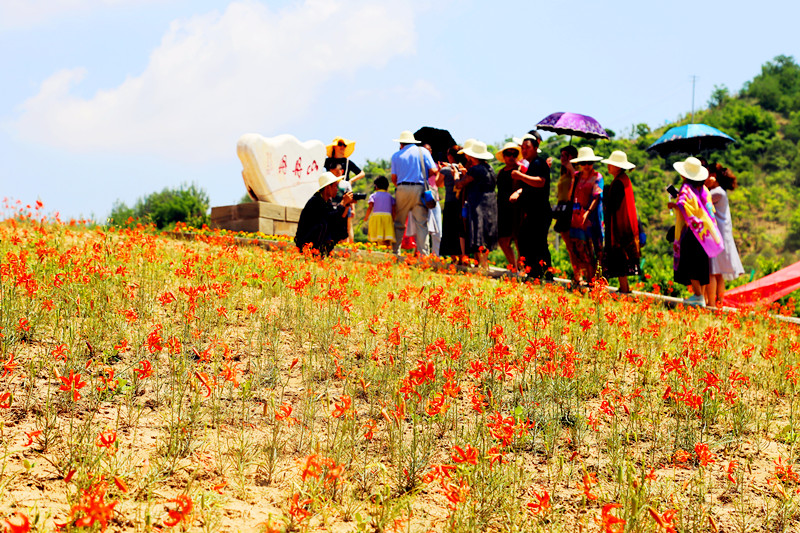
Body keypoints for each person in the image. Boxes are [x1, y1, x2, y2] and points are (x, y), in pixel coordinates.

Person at [669, 156, 724, 307]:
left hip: (692, 231)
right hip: (705, 232)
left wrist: (675, 204)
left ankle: (698, 296)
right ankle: (699, 296)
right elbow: (710, 209)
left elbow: (683, 205)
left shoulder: (686, 188)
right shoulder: (704, 189)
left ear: (684, 174)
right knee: (701, 265)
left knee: (689, 263)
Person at [510, 132, 552, 278]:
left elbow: (540, 182)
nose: (524, 150)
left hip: (540, 212)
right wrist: (519, 192)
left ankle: (545, 274)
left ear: (535, 148)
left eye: (527, 147)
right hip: (532, 211)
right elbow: (529, 186)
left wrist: (520, 176)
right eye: (522, 148)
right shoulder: (532, 165)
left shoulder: (539, 163)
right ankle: (534, 272)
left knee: (538, 243)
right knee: (525, 240)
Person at [390, 130, 437, 256]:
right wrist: (423, 176)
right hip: (419, 189)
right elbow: (433, 170)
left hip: (402, 188)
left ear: (401, 143)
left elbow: (394, 178)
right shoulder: (423, 152)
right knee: (421, 224)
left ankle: (396, 252)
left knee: (399, 222)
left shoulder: (396, 156)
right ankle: (423, 256)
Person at [600, 150, 640, 294]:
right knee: (621, 257)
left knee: (619, 258)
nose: (609, 166)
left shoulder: (618, 183)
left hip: (619, 227)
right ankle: (624, 287)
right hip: (624, 225)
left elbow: (613, 206)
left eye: (612, 164)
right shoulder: (624, 180)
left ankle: (624, 289)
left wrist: (604, 195)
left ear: (617, 167)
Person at [705, 163, 744, 306]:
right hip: (722, 235)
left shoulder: (716, 193)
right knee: (719, 273)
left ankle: (711, 304)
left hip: (717, 236)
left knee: (712, 271)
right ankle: (719, 302)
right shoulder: (721, 192)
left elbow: (701, 201)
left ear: (713, 177)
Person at [456, 140, 498, 269]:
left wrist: (456, 175)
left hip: (478, 204)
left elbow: (460, 184)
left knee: (478, 231)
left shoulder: (475, 169)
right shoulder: (489, 168)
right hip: (491, 203)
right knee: (487, 232)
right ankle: (484, 263)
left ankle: (483, 264)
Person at [566, 147, 604, 286]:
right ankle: (584, 279)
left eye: (589, 163)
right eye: (584, 163)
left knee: (593, 249)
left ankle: (593, 281)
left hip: (592, 218)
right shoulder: (577, 176)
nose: (587, 166)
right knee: (580, 249)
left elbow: (597, 196)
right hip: (576, 217)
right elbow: (571, 196)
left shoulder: (597, 177)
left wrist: (587, 212)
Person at [295, 172, 354, 256]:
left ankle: (324, 251)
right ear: (328, 187)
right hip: (307, 245)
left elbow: (336, 220)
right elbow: (329, 217)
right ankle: (316, 252)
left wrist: (347, 205)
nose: (337, 190)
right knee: (323, 224)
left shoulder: (326, 202)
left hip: (317, 246)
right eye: (335, 186)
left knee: (338, 226)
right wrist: (342, 203)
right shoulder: (315, 201)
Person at [325, 137, 365, 243]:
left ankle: (349, 245)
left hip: (345, 192)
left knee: (347, 222)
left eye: (344, 145)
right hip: (331, 194)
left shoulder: (347, 162)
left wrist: (351, 180)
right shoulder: (328, 161)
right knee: (331, 220)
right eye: (340, 144)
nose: (343, 147)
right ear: (334, 146)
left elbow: (362, 173)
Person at [494, 141, 523, 270]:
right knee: (503, 241)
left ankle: (522, 269)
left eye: (514, 153)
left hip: (517, 209)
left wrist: (518, 192)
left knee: (518, 240)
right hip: (502, 209)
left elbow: (527, 187)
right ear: (504, 156)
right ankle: (514, 268)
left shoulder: (521, 169)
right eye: (508, 154)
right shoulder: (500, 172)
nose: (511, 156)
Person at [438, 145, 467, 259]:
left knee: (449, 230)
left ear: (450, 156)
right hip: (461, 202)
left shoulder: (445, 170)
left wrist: (442, 170)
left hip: (450, 202)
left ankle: (454, 258)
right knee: (460, 231)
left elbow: (438, 183)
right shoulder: (464, 168)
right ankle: (463, 257)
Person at [554, 145, 578, 263]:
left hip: (571, 208)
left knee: (574, 244)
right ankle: (576, 274)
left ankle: (582, 273)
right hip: (562, 208)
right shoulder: (563, 172)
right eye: (561, 155)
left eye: (566, 155)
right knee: (568, 244)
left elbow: (578, 182)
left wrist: (572, 169)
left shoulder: (576, 171)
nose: (563, 158)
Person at [422, 143, 444, 256]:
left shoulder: (436, 165)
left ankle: (436, 256)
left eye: (428, 150)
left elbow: (439, 184)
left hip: (434, 199)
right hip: (421, 199)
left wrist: (439, 172)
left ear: (431, 152)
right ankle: (422, 255)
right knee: (421, 229)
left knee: (437, 231)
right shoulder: (418, 165)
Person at [364, 176, 396, 249]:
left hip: (376, 218)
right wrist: (393, 218)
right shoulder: (390, 196)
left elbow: (370, 207)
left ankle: (375, 250)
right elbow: (393, 208)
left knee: (375, 238)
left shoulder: (373, 195)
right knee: (387, 238)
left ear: (376, 186)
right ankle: (387, 251)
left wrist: (366, 217)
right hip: (387, 218)